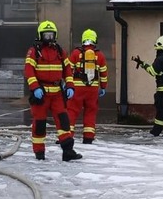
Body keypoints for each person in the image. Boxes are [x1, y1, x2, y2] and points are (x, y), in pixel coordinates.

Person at [24, 20, 82, 161]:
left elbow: (68, 70)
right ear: (40, 35)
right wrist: (35, 88)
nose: (49, 38)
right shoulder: (34, 51)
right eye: (46, 35)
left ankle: (68, 152)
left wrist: (70, 86)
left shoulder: (60, 51)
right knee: (39, 124)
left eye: (51, 35)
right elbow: (29, 71)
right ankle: (39, 153)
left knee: (64, 122)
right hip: (41, 94)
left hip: (57, 93)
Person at [133, 35, 163, 138]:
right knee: (161, 111)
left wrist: (143, 64)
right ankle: (155, 132)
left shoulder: (161, 59)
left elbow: (153, 71)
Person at [68, 28, 109, 144]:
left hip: (77, 88)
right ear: (95, 40)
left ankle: (68, 135)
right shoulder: (99, 55)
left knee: (72, 110)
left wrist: (68, 84)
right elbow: (104, 73)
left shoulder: (76, 53)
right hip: (93, 89)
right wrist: (103, 87)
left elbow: (68, 70)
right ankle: (88, 137)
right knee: (90, 111)